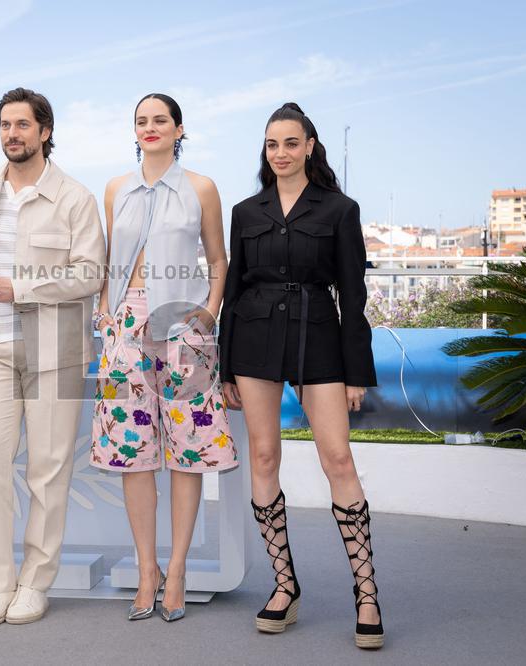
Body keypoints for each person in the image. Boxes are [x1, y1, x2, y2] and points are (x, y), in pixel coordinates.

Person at [218, 102, 383, 649]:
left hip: (320, 338)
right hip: (254, 339)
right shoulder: (246, 212)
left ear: (309, 146)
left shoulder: (339, 209)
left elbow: (353, 295)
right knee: (264, 456)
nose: (281, 153)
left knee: (338, 458)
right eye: (272, 144)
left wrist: (356, 372)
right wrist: (225, 366)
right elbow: (234, 290)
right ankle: (284, 586)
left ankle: (366, 593)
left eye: (291, 143)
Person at [0, 87, 106, 626]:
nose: (11, 134)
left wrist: (21, 287)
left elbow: (91, 273)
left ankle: (35, 583)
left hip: (55, 351)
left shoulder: (75, 197)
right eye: (4, 124)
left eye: (22, 124)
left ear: (45, 131)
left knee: (48, 469)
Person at [90, 93, 237, 622]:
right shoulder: (116, 189)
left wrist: (209, 313)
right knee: (133, 452)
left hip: (183, 326)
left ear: (179, 129)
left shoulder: (201, 187)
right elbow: (111, 258)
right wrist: (106, 315)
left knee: (187, 448)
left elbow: (218, 259)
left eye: (160, 120)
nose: (150, 127)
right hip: (124, 327)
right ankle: (146, 570)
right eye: (141, 121)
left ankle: (176, 571)